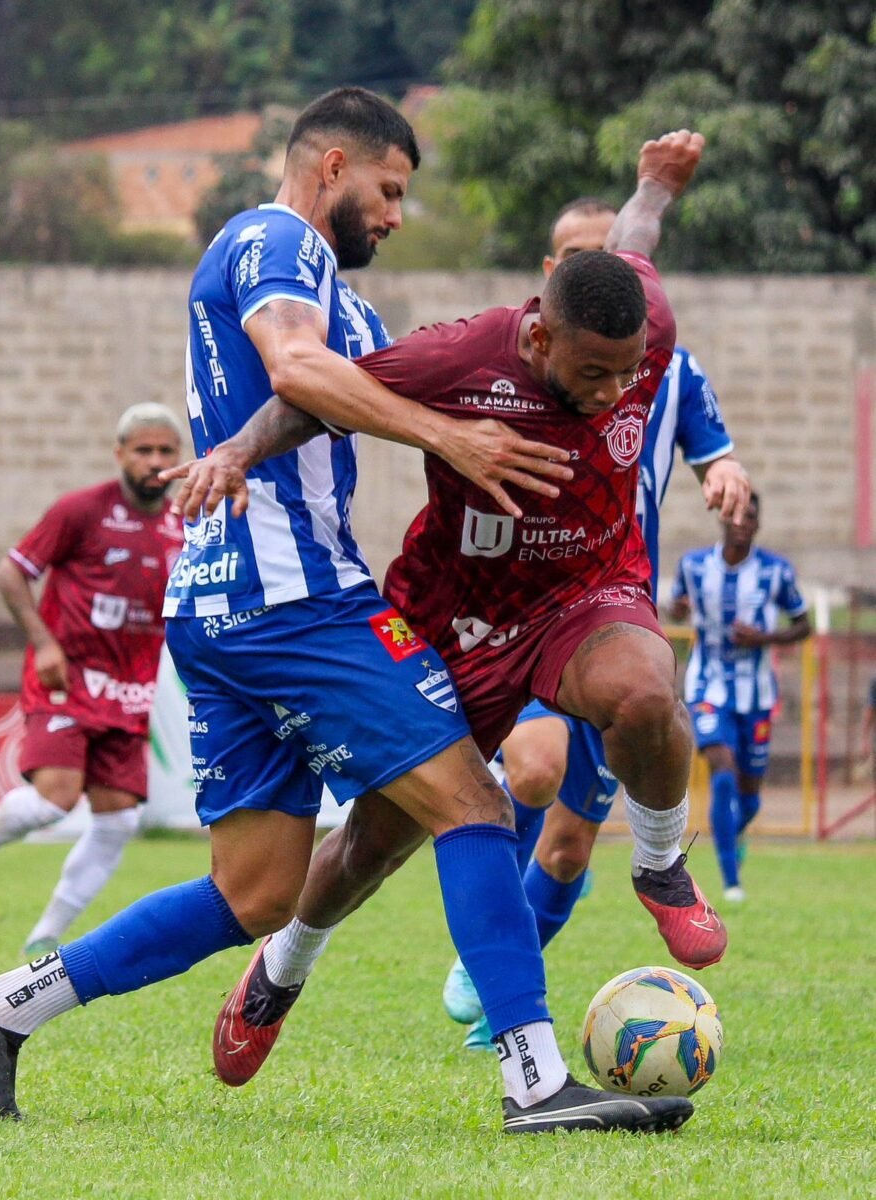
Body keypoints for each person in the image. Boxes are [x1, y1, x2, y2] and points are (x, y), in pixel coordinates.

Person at [0, 87, 692, 1136]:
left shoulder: (337, 288)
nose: (394, 214)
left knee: (254, 892)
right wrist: (453, 440)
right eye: (388, 189)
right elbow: (294, 367)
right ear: (331, 165)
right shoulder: (275, 240)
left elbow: (339, 378)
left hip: (221, 603)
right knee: (474, 803)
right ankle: (535, 1082)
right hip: (291, 593)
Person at [171, 127, 726, 1093]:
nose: (611, 393)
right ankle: (282, 967)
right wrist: (233, 452)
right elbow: (320, 400)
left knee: (645, 694)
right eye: (592, 373)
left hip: (586, 594)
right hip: (456, 620)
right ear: (541, 334)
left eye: (627, 373)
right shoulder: (463, 358)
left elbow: (634, 236)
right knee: (380, 842)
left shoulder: (642, 327)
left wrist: (655, 184)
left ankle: (660, 862)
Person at [444, 196, 750, 1047]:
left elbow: (715, 451)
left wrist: (726, 479)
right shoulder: (504, 366)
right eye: (581, 255)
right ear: (551, 279)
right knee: (534, 770)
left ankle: (509, 983)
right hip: (528, 616)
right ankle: (490, 952)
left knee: (574, 848)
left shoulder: (669, 366)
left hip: (618, 617)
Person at [0, 404, 185, 956]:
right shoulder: (81, 511)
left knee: (119, 822)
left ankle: (44, 937)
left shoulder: (182, 525)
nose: (155, 461)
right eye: (143, 450)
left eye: (166, 451)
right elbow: (12, 573)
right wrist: (44, 642)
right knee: (54, 802)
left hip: (131, 691)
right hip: (67, 677)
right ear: (120, 454)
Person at [671, 492, 810, 900]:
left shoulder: (776, 571)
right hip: (708, 684)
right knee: (723, 770)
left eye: (750, 515)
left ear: (757, 523)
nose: (742, 521)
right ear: (722, 518)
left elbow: (803, 626)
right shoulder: (694, 566)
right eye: (735, 513)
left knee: (749, 798)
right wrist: (677, 610)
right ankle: (731, 882)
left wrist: (765, 636)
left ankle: (738, 829)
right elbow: (677, 605)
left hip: (757, 693)